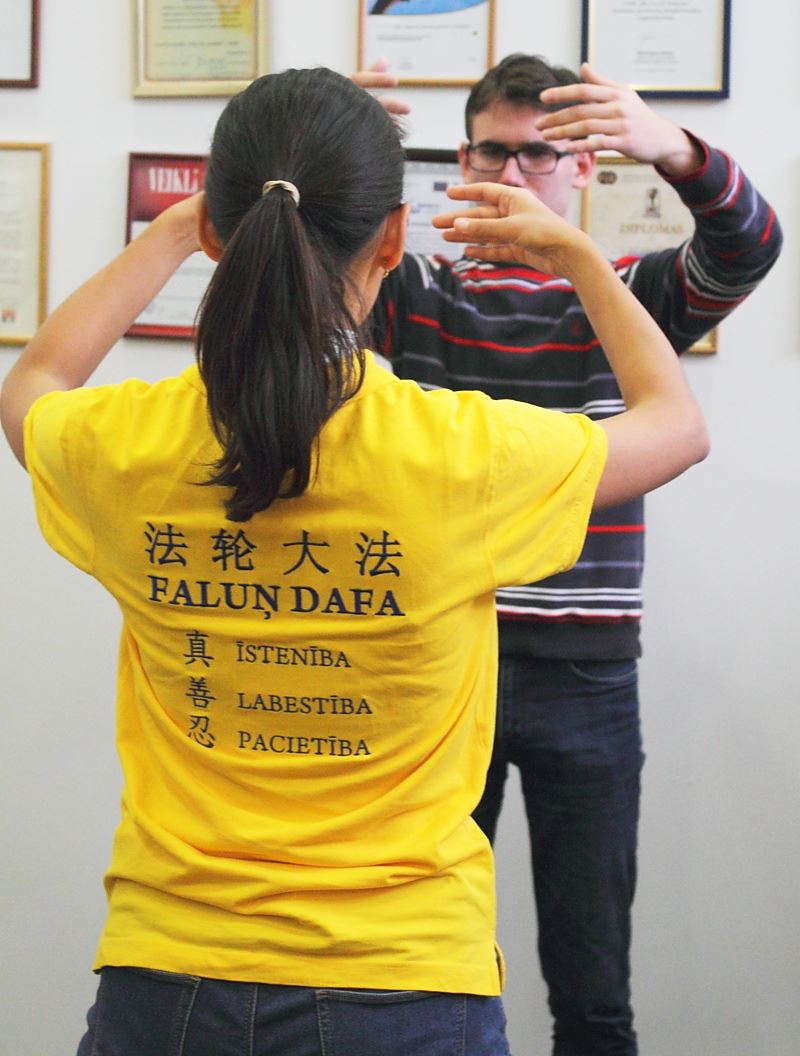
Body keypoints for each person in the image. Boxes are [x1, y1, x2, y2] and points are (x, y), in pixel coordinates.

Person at [0, 67, 708, 1056]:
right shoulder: (459, 453)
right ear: (391, 239)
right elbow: (675, 425)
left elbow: (33, 378)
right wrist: (581, 258)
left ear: (218, 233)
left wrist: (176, 229)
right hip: (404, 982)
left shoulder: (123, 445)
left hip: (167, 977)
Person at [360, 53, 782, 1056]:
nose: (511, 176)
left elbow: (750, 245)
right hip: (437, 668)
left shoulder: (622, 296)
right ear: (460, 162)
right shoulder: (411, 289)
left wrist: (671, 147)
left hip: (586, 677)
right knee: (410, 971)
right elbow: (286, 276)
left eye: (537, 155)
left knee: (592, 994)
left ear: (582, 167)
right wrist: (337, 150)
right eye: (491, 153)